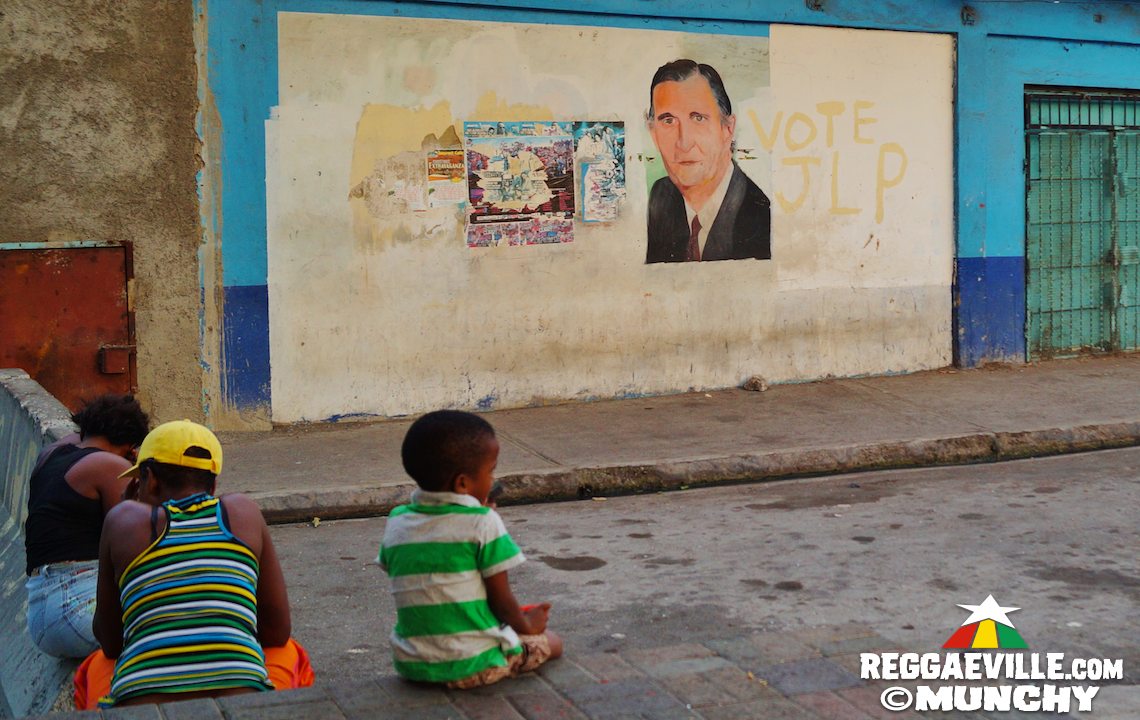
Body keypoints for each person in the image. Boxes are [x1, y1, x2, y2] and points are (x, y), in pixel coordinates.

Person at [74, 420, 313, 709]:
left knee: (95, 667)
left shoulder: (122, 520)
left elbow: (110, 642)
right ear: (213, 484)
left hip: (144, 707)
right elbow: (277, 632)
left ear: (150, 479)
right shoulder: (243, 512)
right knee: (290, 652)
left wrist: (128, 509)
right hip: (242, 704)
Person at [379, 410, 563, 688]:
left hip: (412, 663)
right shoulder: (483, 522)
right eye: (490, 471)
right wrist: (529, 625)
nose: (492, 479)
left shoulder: (398, 520)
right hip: (472, 664)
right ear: (463, 483)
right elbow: (502, 604)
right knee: (552, 642)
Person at [24, 393, 150, 658]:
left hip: (42, 610)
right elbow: (133, 543)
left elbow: (75, 438)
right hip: (77, 607)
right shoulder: (110, 466)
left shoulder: (51, 454)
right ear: (131, 446)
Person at [645, 59, 771, 263]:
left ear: (727, 129)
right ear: (653, 133)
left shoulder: (761, 218)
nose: (684, 143)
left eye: (698, 118)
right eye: (668, 121)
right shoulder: (661, 197)